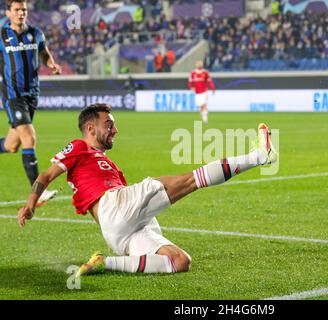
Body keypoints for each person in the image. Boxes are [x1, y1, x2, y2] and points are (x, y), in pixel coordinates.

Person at [17, 104, 277, 276]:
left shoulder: (109, 165)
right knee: (188, 181)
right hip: (114, 207)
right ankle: (259, 156)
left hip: (119, 231)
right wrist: (31, 202)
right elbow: (46, 175)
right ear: (90, 128)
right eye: (109, 124)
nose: (115, 130)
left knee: (179, 262)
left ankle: (104, 263)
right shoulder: (78, 146)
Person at [0, 0, 61, 205]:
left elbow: (43, 52)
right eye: (16, 10)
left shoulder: (35, 33)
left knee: (11, 146)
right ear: (8, 12)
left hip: (32, 95)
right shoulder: (1, 35)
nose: (20, 13)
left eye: (23, 10)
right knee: (29, 137)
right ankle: (38, 191)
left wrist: (50, 62)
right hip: (13, 95)